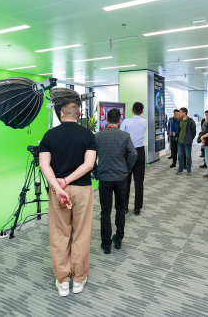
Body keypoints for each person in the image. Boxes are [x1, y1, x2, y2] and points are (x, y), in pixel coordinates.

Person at [39, 101, 97, 297]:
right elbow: (89, 165)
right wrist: (68, 180)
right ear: (79, 115)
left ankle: (63, 281)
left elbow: (44, 165)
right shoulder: (88, 135)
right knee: (81, 233)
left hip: (58, 191)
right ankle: (79, 279)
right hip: (82, 189)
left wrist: (58, 186)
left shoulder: (49, 135)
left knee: (59, 234)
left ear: (61, 115)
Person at [92, 108, 137, 254]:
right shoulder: (125, 136)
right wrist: (126, 170)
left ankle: (106, 244)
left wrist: (96, 172)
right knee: (120, 208)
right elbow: (134, 154)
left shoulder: (98, 136)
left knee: (105, 211)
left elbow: (91, 158)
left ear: (106, 119)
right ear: (119, 120)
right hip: (121, 178)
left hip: (104, 177)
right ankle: (118, 239)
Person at [121, 102, 148, 215]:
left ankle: (125, 206)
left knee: (126, 180)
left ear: (132, 110)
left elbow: (121, 136)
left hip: (128, 152)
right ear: (142, 111)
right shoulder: (145, 121)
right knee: (139, 181)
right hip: (140, 152)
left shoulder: (126, 122)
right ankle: (137, 208)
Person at [176, 107, 196, 175]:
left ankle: (188, 170)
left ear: (184, 113)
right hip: (180, 141)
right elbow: (179, 130)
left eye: (180, 112)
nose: (179, 113)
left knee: (188, 156)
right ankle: (180, 169)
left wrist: (190, 139)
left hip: (187, 142)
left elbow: (194, 132)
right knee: (180, 156)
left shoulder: (190, 121)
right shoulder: (179, 121)